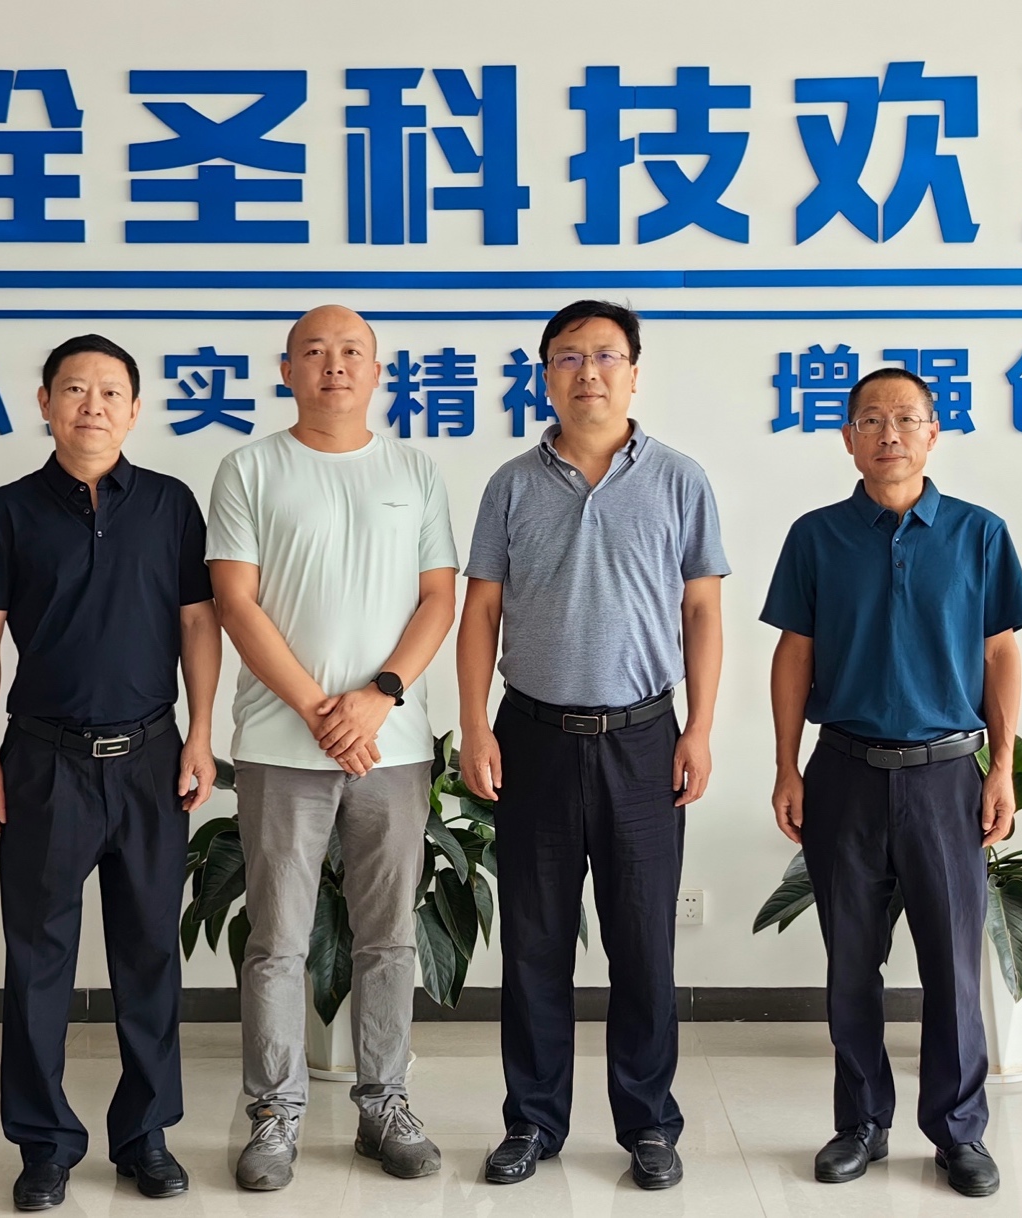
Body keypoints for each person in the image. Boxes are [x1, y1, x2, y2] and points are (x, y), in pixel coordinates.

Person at [456, 301, 725, 1190]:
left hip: (643, 740)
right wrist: (473, 725)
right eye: (568, 357)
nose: (588, 373)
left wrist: (699, 728)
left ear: (634, 373)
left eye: (606, 356)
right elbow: (480, 611)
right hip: (530, 736)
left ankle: (648, 1124)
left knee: (642, 943)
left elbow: (701, 611)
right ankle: (532, 1121)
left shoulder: (679, 479)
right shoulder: (510, 484)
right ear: (544, 376)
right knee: (533, 943)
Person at [0, 334, 219, 1210]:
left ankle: (145, 1135)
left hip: (150, 758)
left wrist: (200, 734)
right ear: (45, 403)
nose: (91, 405)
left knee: (150, 954)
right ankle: (44, 1143)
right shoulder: (6, 511)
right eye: (74, 389)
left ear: (135, 410)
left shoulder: (171, 505)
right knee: (38, 960)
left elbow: (197, 624)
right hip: (43, 761)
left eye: (109, 392)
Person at [761, 367, 1022, 1199]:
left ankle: (958, 1133)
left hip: (946, 777)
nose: (889, 433)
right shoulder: (816, 537)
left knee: (952, 967)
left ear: (932, 433)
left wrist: (1001, 768)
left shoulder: (978, 534)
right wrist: (786, 764)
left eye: (907, 418)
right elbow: (794, 654)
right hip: (843, 772)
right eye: (872, 420)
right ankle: (860, 1124)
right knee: (850, 962)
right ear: (847, 437)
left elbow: (999, 653)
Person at [208, 304, 458, 1191]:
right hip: (282, 744)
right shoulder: (248, 468)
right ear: (286, 371)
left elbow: (438, 598)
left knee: (387, 937)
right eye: (313, 351)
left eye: (352, 351)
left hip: (392, 746)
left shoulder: (414, 471)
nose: (334, 365)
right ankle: (273, 1114)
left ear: (377, 371)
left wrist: (376, 697)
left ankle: (384, 1104)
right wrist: (320, 708)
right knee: (277, 939)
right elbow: (235, 602)